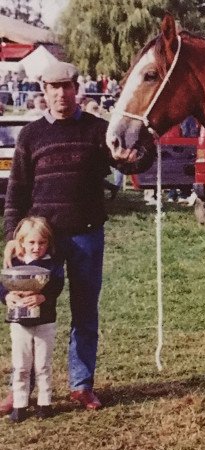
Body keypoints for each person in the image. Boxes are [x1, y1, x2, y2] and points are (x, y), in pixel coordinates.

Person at [0, 61, 153, 415]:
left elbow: (135, 161)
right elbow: (17, 191)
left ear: (75, 89)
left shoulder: (99, 130)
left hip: (87, 236)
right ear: (44, 92)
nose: (60, 94)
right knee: (29, 312)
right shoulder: (30, 135)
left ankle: (81, 386)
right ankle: (22, 390)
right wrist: (12, 236)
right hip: (41, 243)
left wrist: (135, 155)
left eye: (66, 86)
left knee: (85, 313)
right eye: (53, 87)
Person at [0, 217, 64, 422]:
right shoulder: (14, 262)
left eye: (42, 243)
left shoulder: (52, 264)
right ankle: (19, 404)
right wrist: (7, 296)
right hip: (20, 324)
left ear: (48, 243)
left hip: (45, 322)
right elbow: (2, 284)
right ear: (21, 242)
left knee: (42, 364)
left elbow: (57, 286)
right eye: (31, 242)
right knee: (20, 365)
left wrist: (42, 297)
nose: (37, 248)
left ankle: (45, 403)